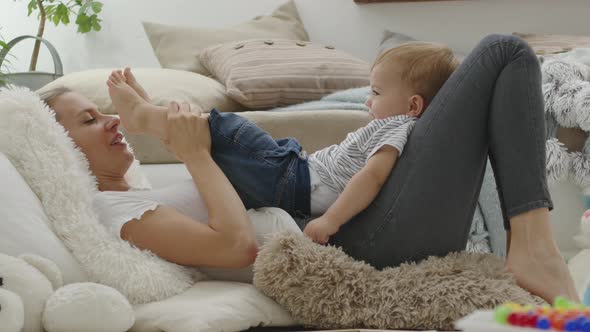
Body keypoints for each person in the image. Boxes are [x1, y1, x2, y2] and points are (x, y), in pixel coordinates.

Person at [42, 34, 579, 304]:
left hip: (355, 223)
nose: (112, 124)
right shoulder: (112, 211)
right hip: (353, 242)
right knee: (504, 53)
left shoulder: (136, 191)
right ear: (58, 147)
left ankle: (527, 243)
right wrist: (195, 153)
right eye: (91, 120)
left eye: (108, 114)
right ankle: (531, 246)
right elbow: (237, 248)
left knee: (495, 67)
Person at [107, 42, 458, 246]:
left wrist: (331, 221)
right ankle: (152, 114)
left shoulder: (397, 126)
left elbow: (372, 178)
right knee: (214, 145)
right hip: (296, 177)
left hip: (293, 181)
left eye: (377, 93)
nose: (368, 102)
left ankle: (143, 116)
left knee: (227, 130)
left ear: (413, 105)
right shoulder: (399, 126)